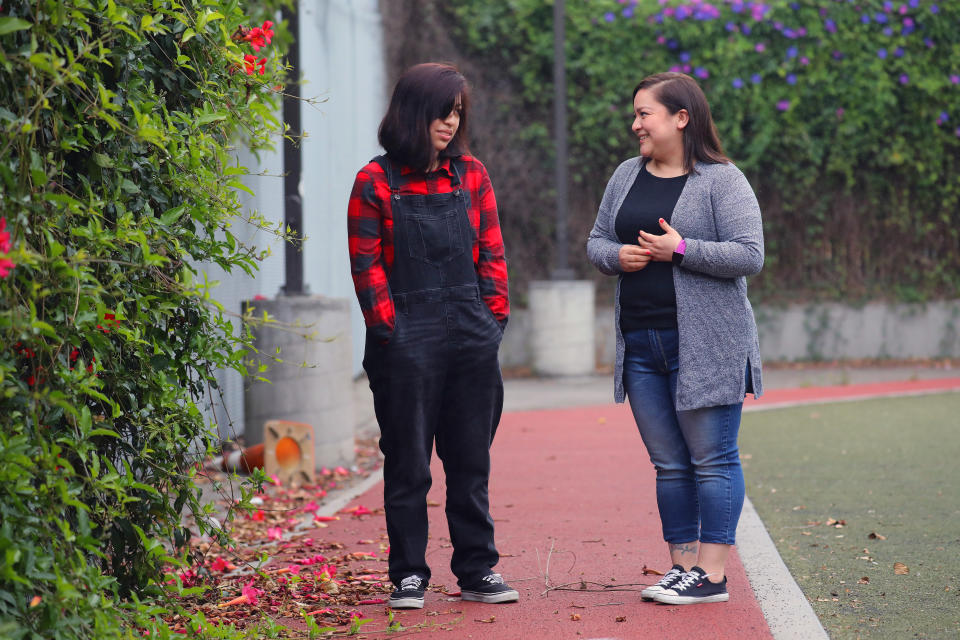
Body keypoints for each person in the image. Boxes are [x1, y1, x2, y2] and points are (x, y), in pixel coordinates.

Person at [586, 72, 764, 605]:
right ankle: (681, 567)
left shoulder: (722, 180)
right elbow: (597, 240)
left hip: (707, 346)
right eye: (636, 113)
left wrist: (681, 250)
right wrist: (616, 257)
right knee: (668, 463)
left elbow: (749, 255)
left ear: (681, 118)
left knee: (712, 458)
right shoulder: (625, 175)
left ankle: (711, 575)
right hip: (640, 343)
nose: (634, 122)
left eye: (645, 113)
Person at [347, 63, 517, 609]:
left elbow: (491, 252)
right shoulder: (374, 181)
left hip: (471, 332)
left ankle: (476, 570)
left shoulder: (470, 174)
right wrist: (389, 332)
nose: (451, 122)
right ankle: (408, 575)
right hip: (405, 340)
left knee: (470, 462)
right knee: (408, 464)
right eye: (443, 111)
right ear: (414, 112)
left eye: (458, 112)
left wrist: (493, 324)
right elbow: (366, 267)